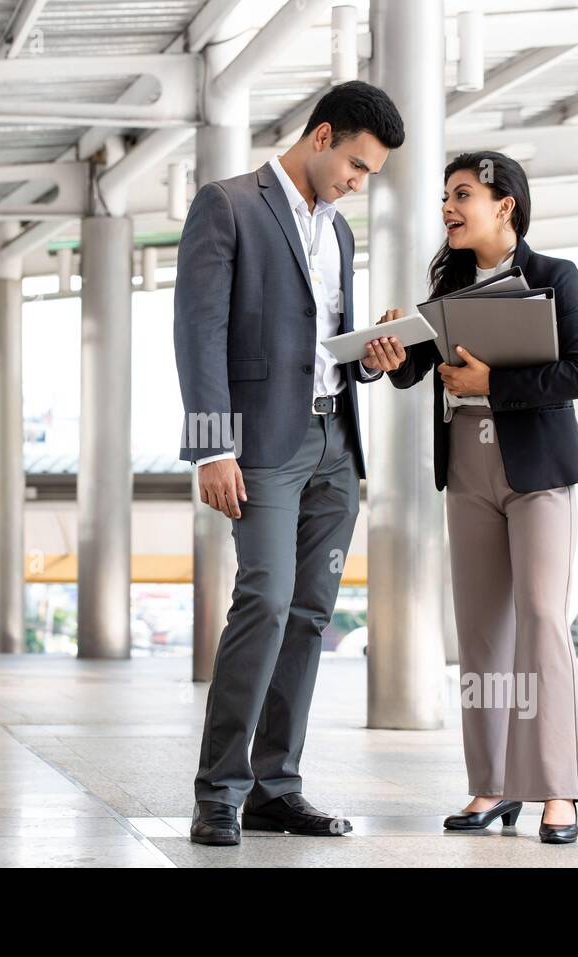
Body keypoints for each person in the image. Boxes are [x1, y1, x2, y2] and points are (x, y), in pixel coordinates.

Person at [174, 81, 408, 846]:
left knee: (310, 616)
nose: (358, 182)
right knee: (266, 602)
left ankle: (276, 785)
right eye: (356, 165)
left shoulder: (337, 231)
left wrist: (371, 358)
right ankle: (220, 790)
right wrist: (213, 444)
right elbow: (199, 331)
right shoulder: (228, 204)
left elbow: (324, 341)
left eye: (369, 174)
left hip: (335, 444)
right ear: (322, 136)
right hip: (262, 448)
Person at [381, 150, 578, 844]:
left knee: (541, 619)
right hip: (467, 470)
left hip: (536, 469)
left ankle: (558, 788)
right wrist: (383, 355)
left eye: (462, 194)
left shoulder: (553, 277)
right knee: (481, 632)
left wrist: (492, 387)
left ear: (505, 205)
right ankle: (493, 784)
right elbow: (411, 368)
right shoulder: (445, 283)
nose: (448, 208)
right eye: (446, 197)